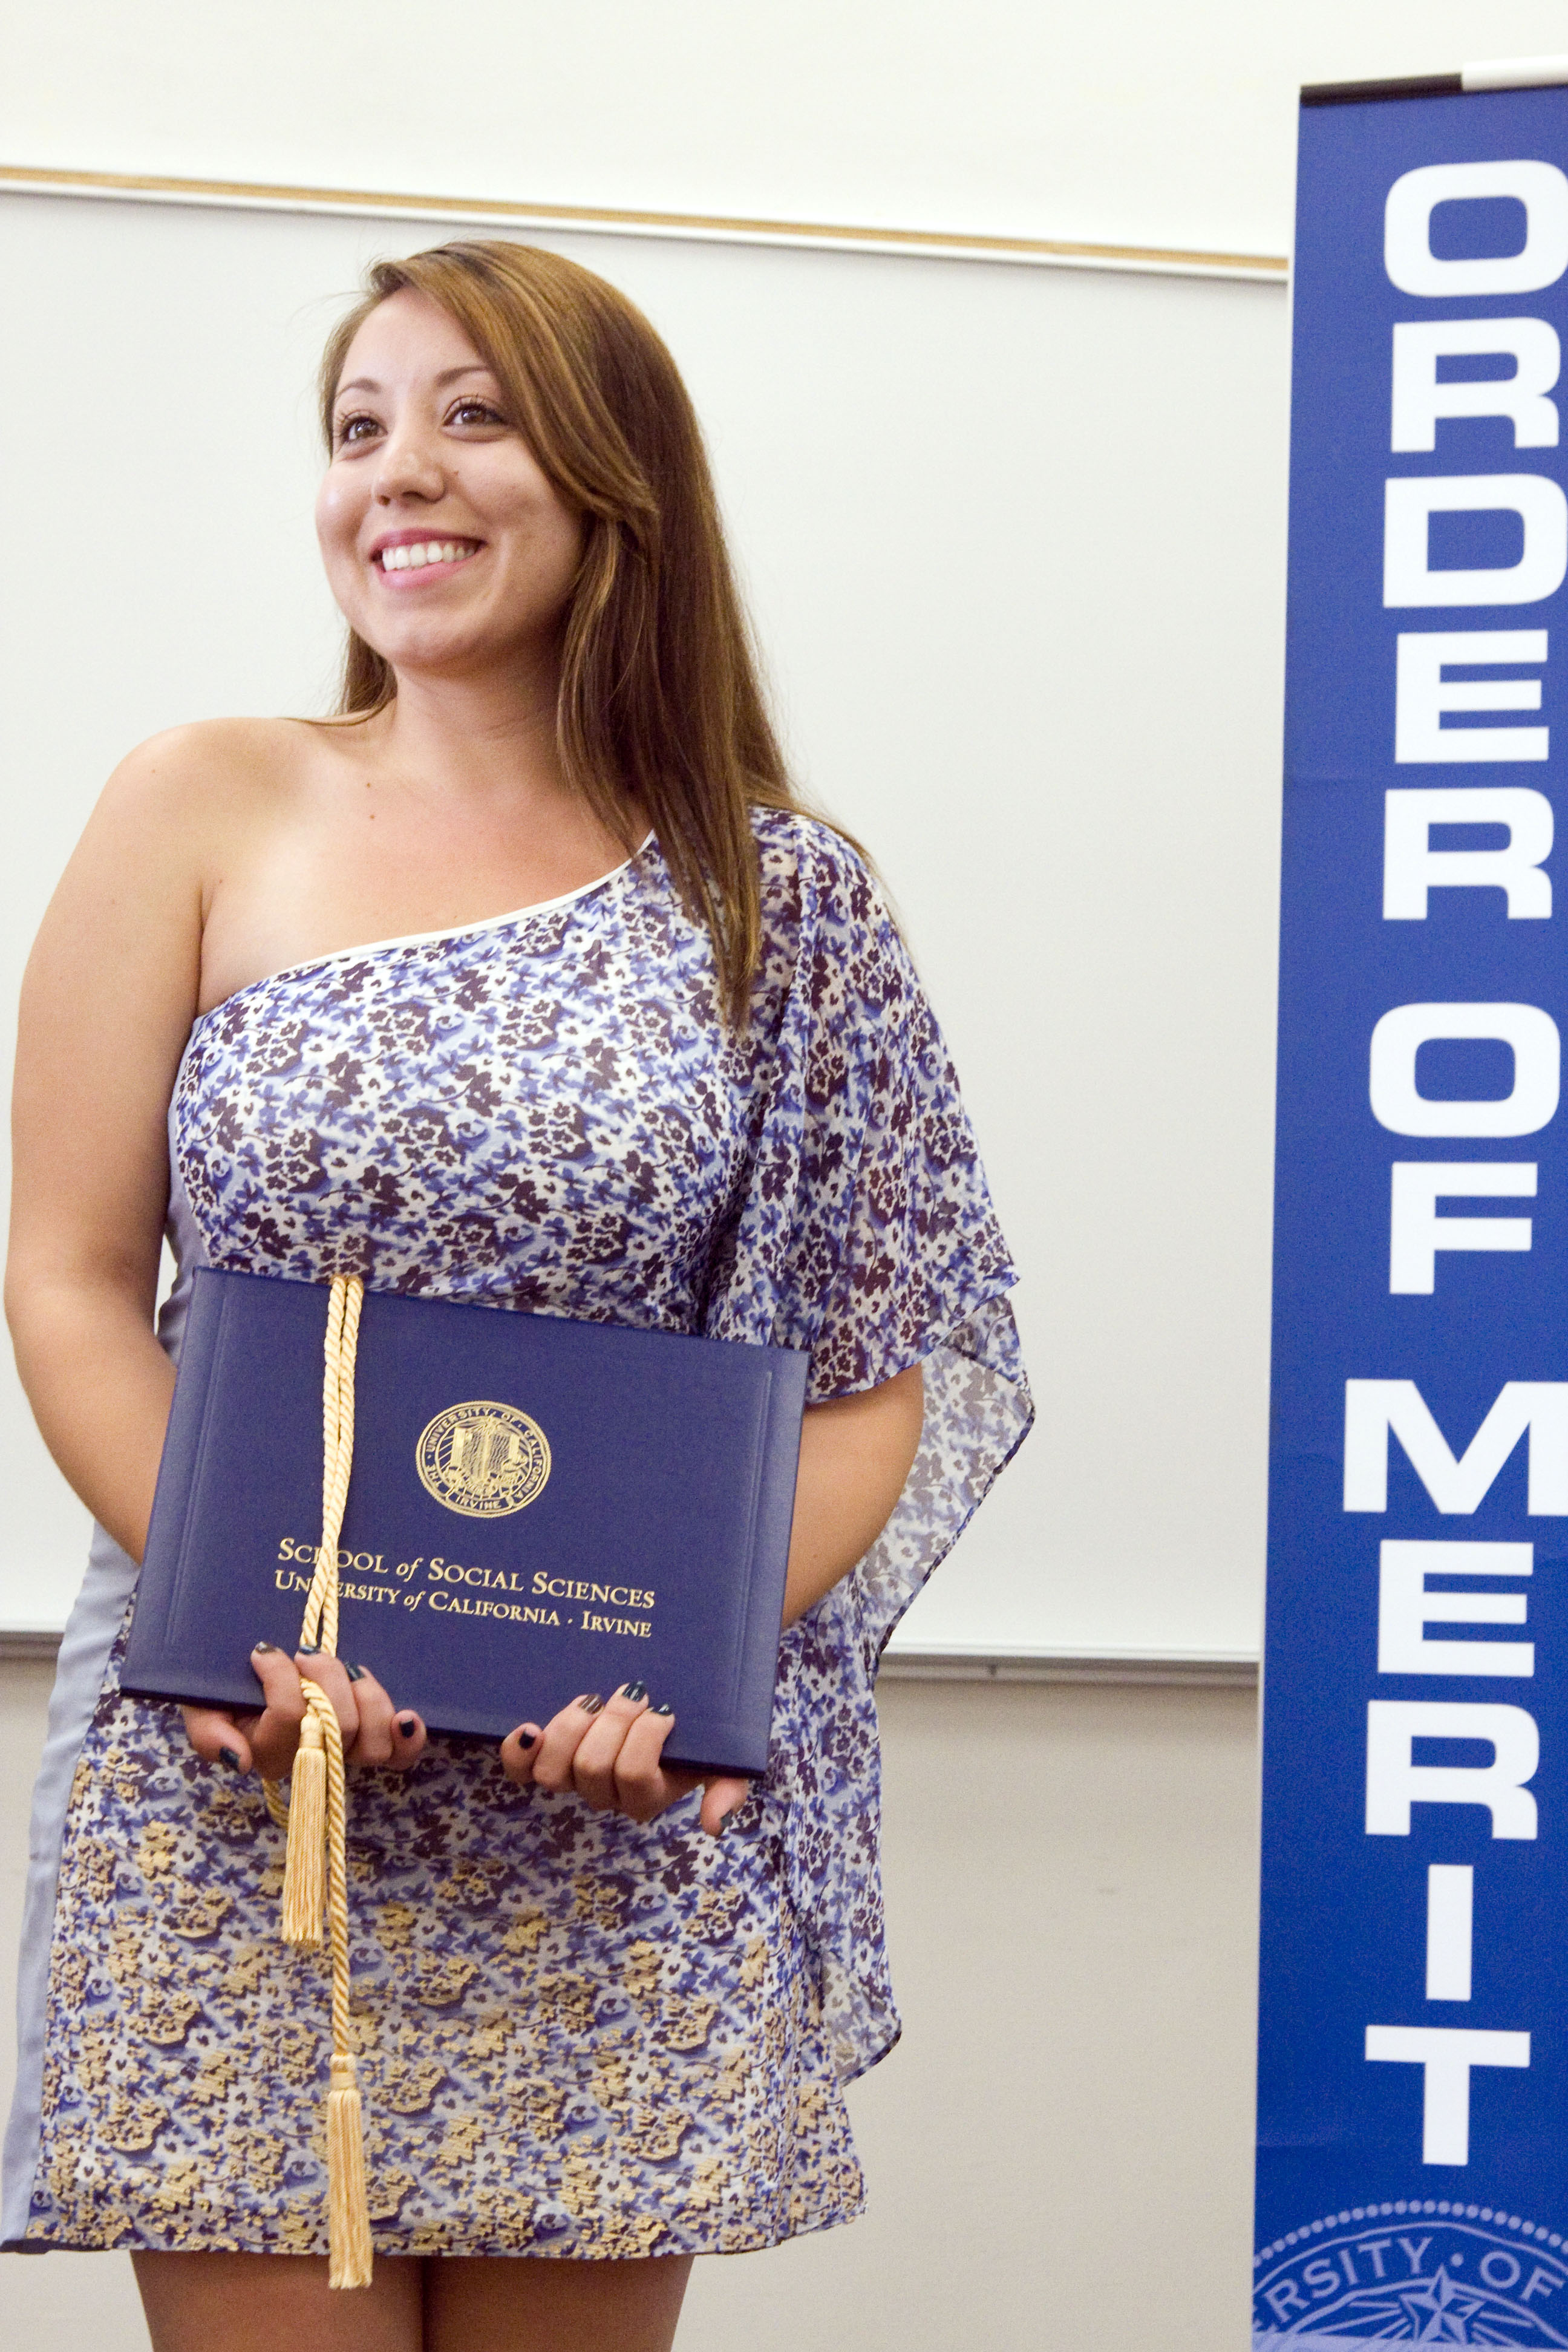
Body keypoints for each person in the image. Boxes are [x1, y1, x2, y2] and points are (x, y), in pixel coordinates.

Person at [1, 240, 1032, 2351]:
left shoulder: (780, 894)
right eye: (359, 425)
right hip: (242, 1762)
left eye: (473, 417)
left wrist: (671, 1664)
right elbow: (72, 1277)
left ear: (612, 483)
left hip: (605, 1819)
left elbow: (869, 1381)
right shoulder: (196, 802)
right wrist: (241, 1619)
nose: (399, 470)